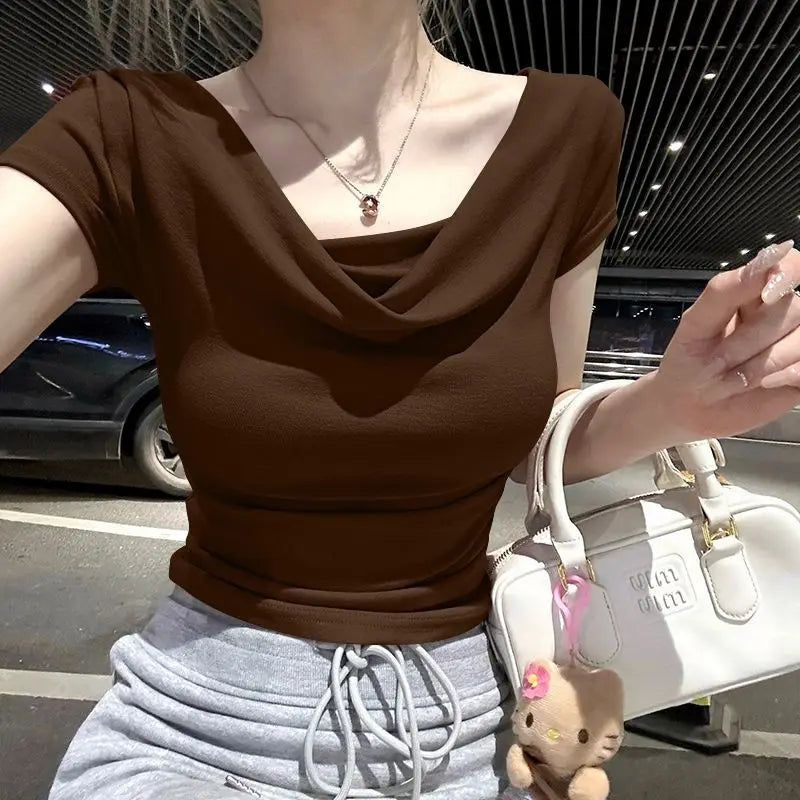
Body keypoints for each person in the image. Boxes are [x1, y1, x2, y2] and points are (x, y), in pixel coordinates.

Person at [2, 1, 800, 798]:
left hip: (470, 727)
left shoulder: (568, 131)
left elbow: (539, 431)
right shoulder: (127, 132)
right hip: (199, 727)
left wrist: (670, 406)